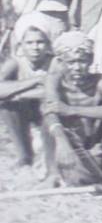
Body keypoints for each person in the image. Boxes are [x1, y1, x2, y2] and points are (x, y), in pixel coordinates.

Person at [42, 31, 102, 187]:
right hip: (69, 139)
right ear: (61, 62)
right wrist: (61, 141)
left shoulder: (101, 80)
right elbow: (50, 111)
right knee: (48, 121)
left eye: (82, 61)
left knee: (82, 179)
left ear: (90, 60)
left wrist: (71, 109)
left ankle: (97, 169)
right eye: (71, 62)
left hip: (95, 141)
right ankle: (52, 173)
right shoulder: (54, 80)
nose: (77, 67)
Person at [0, 13, 59, 173]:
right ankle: (24, 156)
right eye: (30, 43)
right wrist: (34, 81)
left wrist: (19, 93)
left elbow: (53, 93)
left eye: (40, 42)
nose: (35, 47)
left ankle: (49, 159)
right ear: (21, 45)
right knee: (6, 106)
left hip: (50, 113)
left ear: (48, 44)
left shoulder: (55, 62)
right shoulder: (16, 62)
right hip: (25, 111)